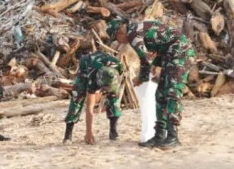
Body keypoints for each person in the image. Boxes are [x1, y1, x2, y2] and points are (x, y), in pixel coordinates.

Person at [108, 19, 195, 148]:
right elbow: (163, 43)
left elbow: (144, 59)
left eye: (116, 38)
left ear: (120, 32)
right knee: (160, 95)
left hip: (180, 54)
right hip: (170, 54)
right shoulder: (136, 29)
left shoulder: (133, 34)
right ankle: (159, 135)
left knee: (172, 93)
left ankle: (173, 136)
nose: (118, 41)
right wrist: (157, 63)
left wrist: (141, 78)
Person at [63, 51, 124, 144]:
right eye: (104, 88)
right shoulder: (93, 76)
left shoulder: (119, 66)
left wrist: (110, 88)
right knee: (77, 97)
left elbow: (117, 78)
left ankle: (113, 132)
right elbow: (90, 107)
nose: (105, 91)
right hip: (86, 65)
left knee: (113, 97)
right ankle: (68, 135)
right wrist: (89, 132)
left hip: (106, 72)